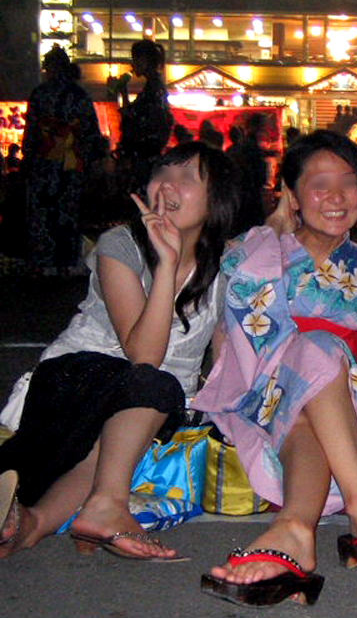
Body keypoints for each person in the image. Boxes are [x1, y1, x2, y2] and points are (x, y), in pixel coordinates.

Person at [194, 130, 357, 608]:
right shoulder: (260, 253)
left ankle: (295, 530)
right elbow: (240, 325)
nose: (337, 197)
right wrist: (274, 227)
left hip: (347, 409)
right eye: (319, 185)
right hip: (263, 403)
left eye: (348, 183)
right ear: (292, 194)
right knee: (316, 348)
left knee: (322, 364)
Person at [0, 142, 241, 561]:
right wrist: (166, 264)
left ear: (216, 200)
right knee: (153, 385)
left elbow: (222, 350)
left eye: (186, 177)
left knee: (113, 446)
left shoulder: (225, 263)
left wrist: (231, 415)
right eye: (162, 173)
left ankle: (32, 526)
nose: (167, 185)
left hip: (145, 416)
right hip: (73, 386)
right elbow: (143, 356)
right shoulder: (121, 244)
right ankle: (108, 505)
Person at [21, 45, 104, 274]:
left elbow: (31, 131)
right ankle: (66, 262)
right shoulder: (79, 96)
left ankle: (44, 262)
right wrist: (91, 160)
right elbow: (91, 132)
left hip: (45, 163)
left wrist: (28, 158)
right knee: (67, 214)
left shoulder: (40, 94)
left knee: (43, 214)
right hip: (70, 164)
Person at [117, 40, 173, 195]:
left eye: (135, 59)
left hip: (144, 156)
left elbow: (136, 119)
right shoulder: (155, 87)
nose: (132, 64)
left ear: (144, 61)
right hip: (148, 155)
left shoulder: (152, 90)